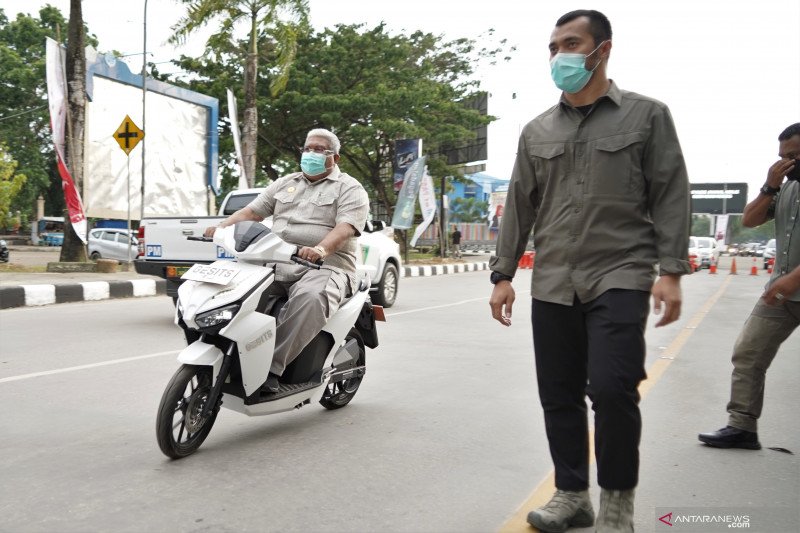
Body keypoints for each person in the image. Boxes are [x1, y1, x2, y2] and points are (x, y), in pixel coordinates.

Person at [488, 10, 691, 533]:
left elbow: (669, 192)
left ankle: (618, 503)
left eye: (571, 43)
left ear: (603, 49)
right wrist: (503, 273)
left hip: (620, 271)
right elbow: (519, 206)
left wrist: (671, 269)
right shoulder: (537, 130)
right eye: (553, 46)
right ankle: (572, 495)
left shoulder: (647, 116)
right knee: (558, 393)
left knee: (613, 386)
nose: (560, 55)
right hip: (554, 278)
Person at [205, 128, 369, 392]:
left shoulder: (350, 188)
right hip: (276, 262)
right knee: (231, 295)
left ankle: (270, 368)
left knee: (311, 298)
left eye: (319, 150)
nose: (311, 153)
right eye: (308, 148)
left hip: (326, 266)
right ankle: (228, 356)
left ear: (335, 158)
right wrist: (220, 228)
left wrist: (320, 250)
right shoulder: (285, 183)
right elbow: (252, 212)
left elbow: (346, 228)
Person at [698, 123, 800, 449]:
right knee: (748, 353)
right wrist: (770, 186)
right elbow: (749, 220)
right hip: (781, 293)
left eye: (795, 155)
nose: (788, 163)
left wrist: (793, 278)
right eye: (783, 157)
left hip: (788, 284)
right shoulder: (786, 189)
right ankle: (742, 427)